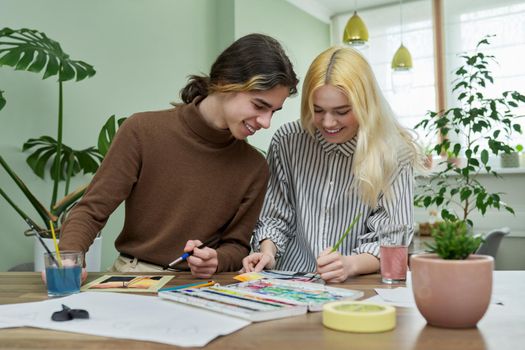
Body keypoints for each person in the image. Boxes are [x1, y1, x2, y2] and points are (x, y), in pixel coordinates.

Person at [56, 33, 299, 279]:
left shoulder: (254, 167)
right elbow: (92, 210)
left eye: (274, 111)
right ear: (226, 83)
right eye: (259, 106)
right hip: (133, 278)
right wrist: (69, 259)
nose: (267, 122)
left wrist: (216, 260)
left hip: (201, 286)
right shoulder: (142, 130)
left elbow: (237, 246)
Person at [242, 46, 422, 283]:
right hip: (290, 282)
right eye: (318, 110)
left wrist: (350, 264)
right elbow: (275, 218)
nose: (328, 122)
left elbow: (393, 240)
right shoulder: (287, 141)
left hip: (357, 286)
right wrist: (267, 252)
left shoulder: (394, 153)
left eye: (342, 111)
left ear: (365, 105)